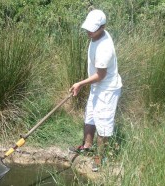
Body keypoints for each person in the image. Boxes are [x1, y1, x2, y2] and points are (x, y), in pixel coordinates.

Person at [68, 9, 122, 172]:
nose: (89, 31)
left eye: (93, 29)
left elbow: (100, 75)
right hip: (97, 86)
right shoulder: (96, 35)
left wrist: (80, 84)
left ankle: (99, 160)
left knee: (103, 124)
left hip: (107, 89)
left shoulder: (105, 48)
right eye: (88, 28)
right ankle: (87, 147)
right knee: (90, 116)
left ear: (103, 27)